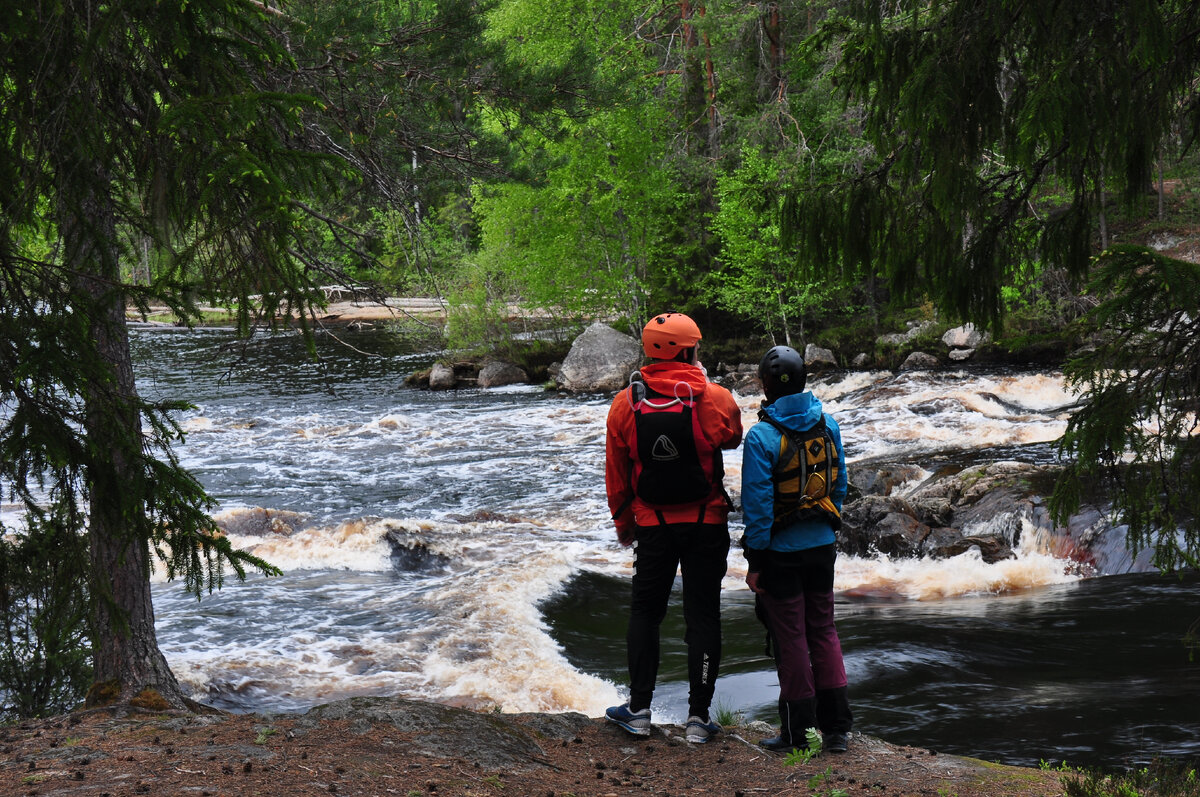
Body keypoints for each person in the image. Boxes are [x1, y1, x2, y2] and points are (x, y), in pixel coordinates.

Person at [604, 311, 744, 743]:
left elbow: (617, 474)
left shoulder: (625, 403)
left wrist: (624, 524)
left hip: (652, 524)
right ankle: (699, 719)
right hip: (707, 522)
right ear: (689, 349)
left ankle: (639, 709)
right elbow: (734, 437)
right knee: (703, 615)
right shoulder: (715, 397)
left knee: (646, 612)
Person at [740, 345, 853, 754]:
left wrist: (756, 562)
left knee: (791, 639)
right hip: (823, 546)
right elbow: (838, 487)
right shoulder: (829, 424)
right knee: (823, 631)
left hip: (781, 556)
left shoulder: (761, 436)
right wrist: (826, 525)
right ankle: (837, 730)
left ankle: (798, 733)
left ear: (767, 387)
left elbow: (757, 507)